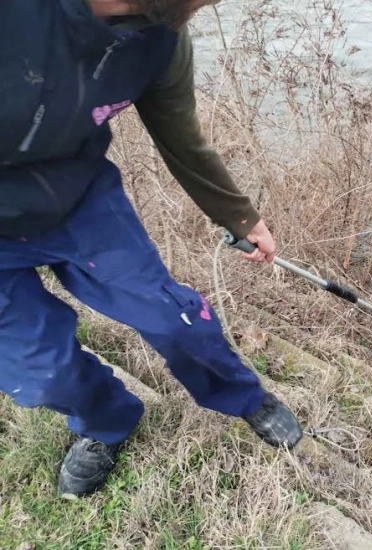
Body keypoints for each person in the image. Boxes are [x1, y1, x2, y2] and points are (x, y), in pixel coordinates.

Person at [0, 0, 304, 500]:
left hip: (80, 199)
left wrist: (240, 216)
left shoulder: (162, 36)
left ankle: (246, 398)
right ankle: (105, 423)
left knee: (176, 321)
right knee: (39, 374)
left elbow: (182, 138)